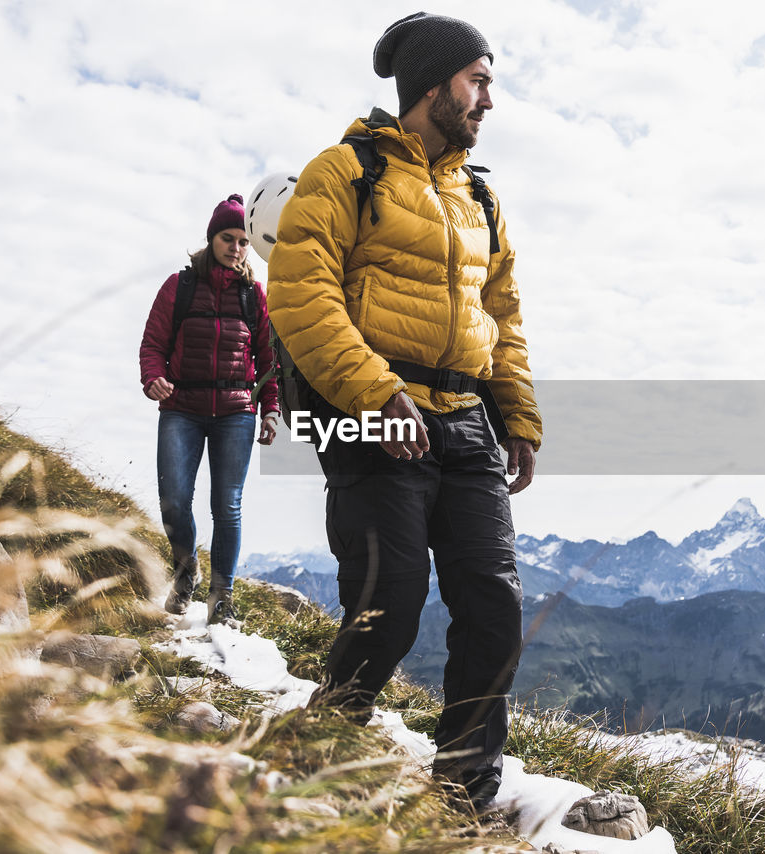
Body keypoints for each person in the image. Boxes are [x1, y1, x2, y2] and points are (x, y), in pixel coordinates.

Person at [267, 13, 542, 812]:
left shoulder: (480, 199)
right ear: (434, 85)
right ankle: (320, 747)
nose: (489, 98)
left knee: (494, 606)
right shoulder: (344, 172)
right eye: (478, 80)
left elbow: (504, 315)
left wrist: (518, 416)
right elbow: (301, 294)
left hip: (465, 422)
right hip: (373, 414)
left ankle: (464, 792)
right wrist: (371, 392)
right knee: (390, 608)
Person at [139, 194, 279, 624]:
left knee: (227, 505)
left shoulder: (254, 295)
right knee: (174, 501)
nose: (235, 248)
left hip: (237, 412)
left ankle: (222, 600)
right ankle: (187, 573)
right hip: (181, 407)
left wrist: (271, 410)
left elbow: (269, 361)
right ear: (211, 237)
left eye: (243, 241)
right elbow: (153, 345)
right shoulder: (178, 286)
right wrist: (153, 378)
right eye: (227, 238)